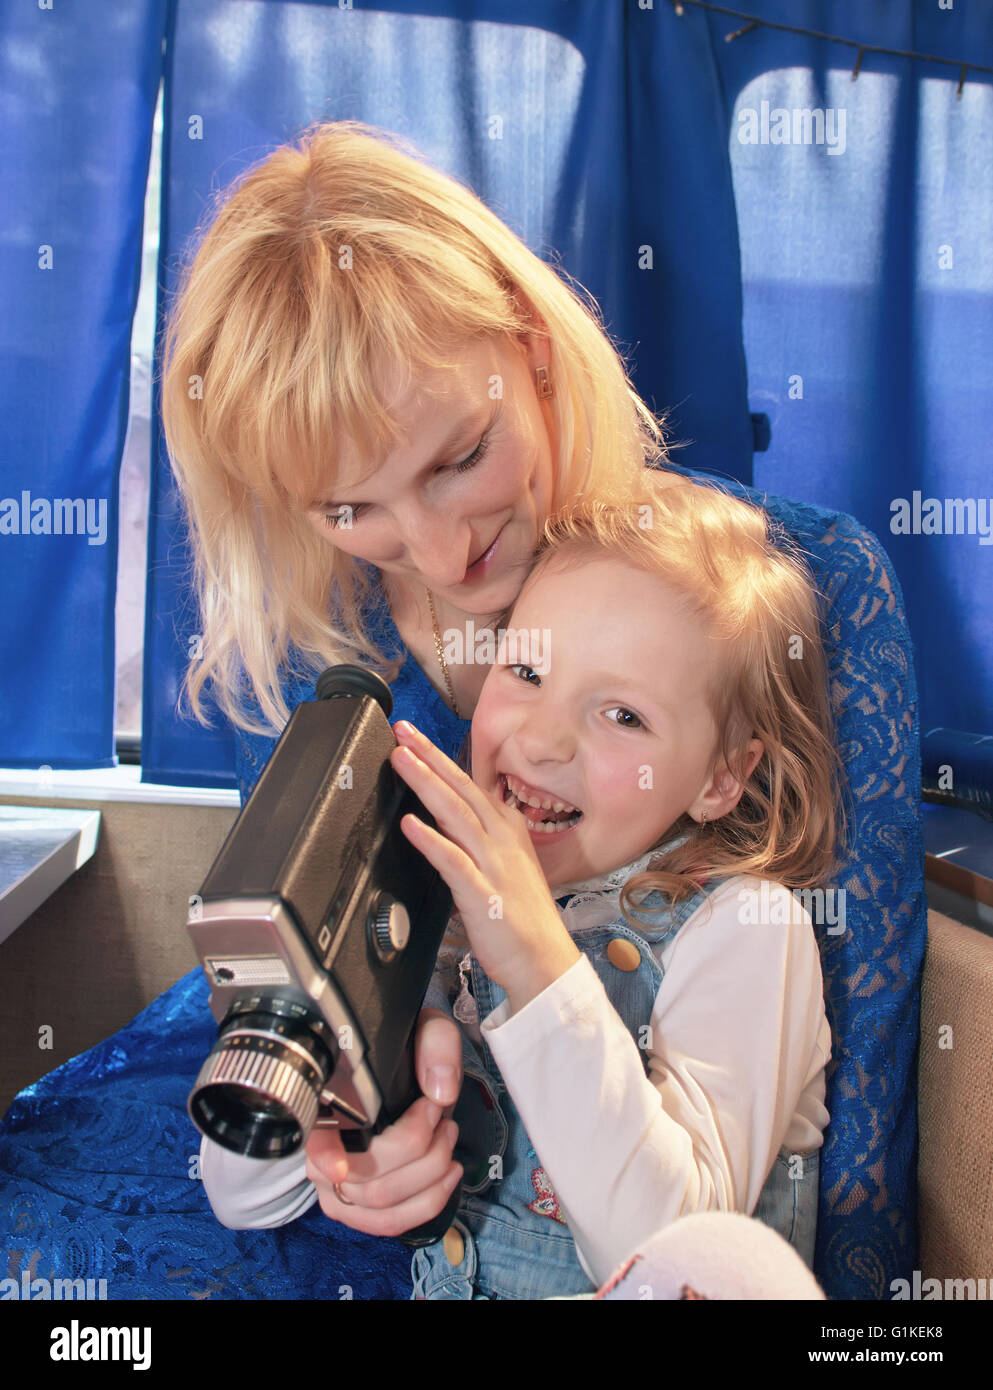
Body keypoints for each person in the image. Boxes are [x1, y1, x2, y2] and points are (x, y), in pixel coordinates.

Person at [199, 475, 845, 1301]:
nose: (540, 740)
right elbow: (242, 1198)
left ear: (721, 778)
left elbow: (673, 1251)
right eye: (527, 671)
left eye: (623, 717)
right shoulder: (434, 907)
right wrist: (333, 1132)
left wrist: (540, 966)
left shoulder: (746, 928)